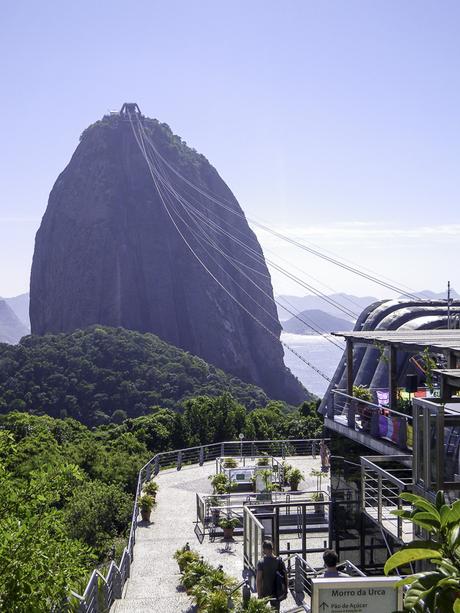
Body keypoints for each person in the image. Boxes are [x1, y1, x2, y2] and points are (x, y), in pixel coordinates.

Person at [256, 540, 288, 610]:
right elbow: (285, 577)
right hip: (277, 592)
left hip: (264, 592)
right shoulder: (280, 561)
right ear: (272, 548)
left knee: (260, 610)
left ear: (264, 550)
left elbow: (259, 580)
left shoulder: (261, 562)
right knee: (275, 610)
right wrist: (285, 591)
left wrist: (259, 594)